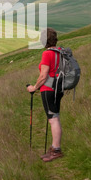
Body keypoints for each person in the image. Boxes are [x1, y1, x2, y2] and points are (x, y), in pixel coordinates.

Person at [27, 27, 64, 162]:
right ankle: (54, 147)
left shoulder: (47, 54)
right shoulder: (59, 52)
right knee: (55, 117)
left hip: (48, 90)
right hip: (58, 89)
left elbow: (43, 75)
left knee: (53, 119)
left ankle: (56, 150)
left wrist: (34, 88)